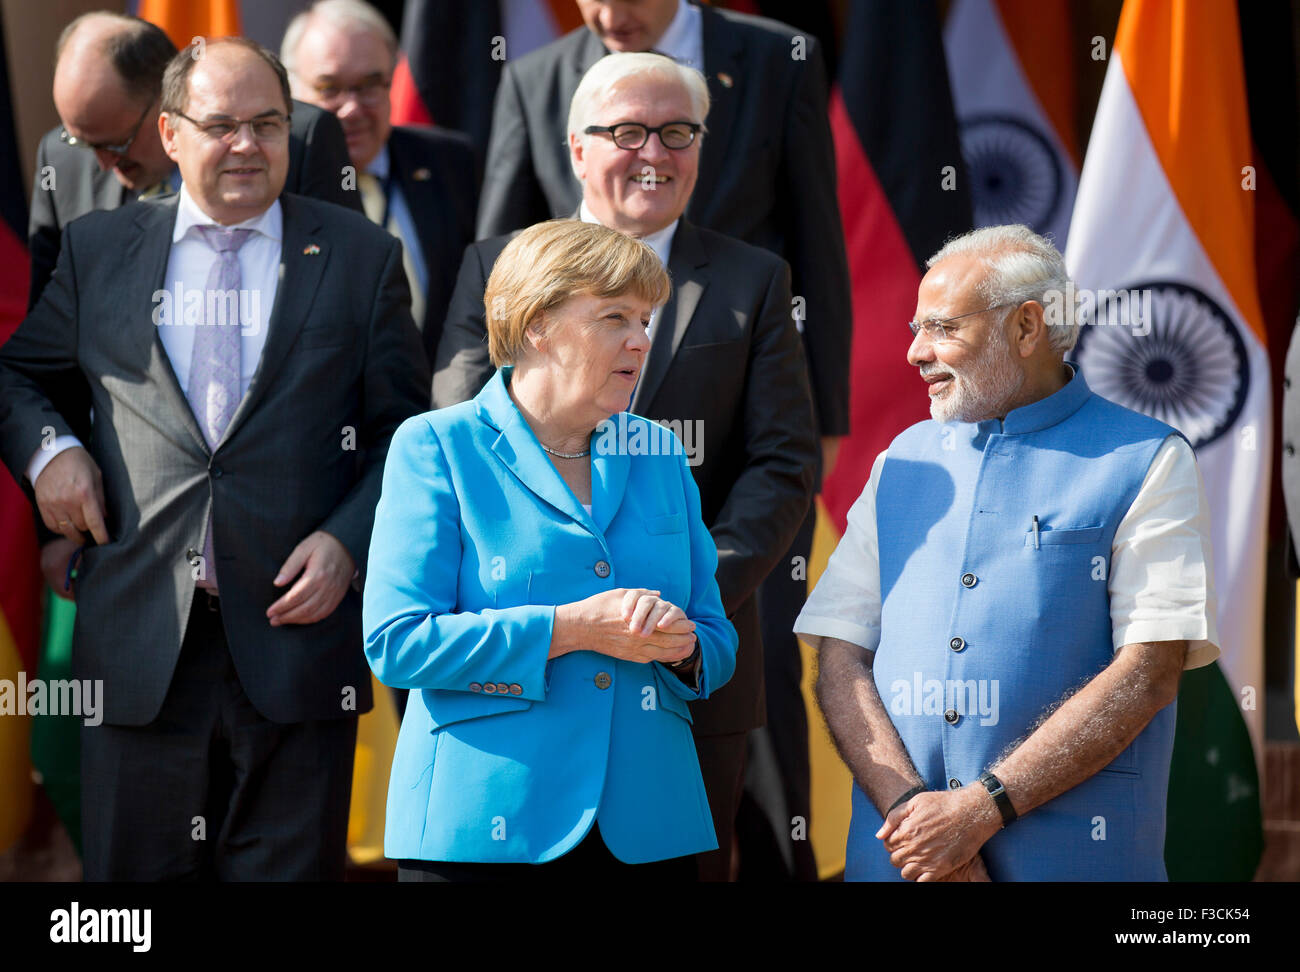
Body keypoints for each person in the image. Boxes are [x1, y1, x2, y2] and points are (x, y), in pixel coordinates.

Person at [0, 37, 430, 880]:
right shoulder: (98, 250)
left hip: (296, 646)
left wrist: (348, 541)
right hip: (139, 645)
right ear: (169, 131)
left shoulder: (359, 257)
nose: (247, 145)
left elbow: (406, 434)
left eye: (268, 124)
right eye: (221, 124)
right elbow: (19, 378)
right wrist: (52, 453)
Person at [474, 1, 846, 876]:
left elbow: (783, 462)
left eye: (679, 133)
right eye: (629, 132)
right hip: (534, 655)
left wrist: (684, 597)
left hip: (695, 653)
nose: (655, 154)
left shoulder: (756, 284)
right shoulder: (495, 271)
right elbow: (468, 438)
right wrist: (571, 611)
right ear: (578, 149)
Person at [795, 225, 1219, 881]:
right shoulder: (901, 461)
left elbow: (1148, 672)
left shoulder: (1148, 459)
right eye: (916, 328)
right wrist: (918, 820)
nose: (915, 352)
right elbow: (841, 657)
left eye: (942, 329)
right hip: (900, 863)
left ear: (1027, 328)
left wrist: (980, 812)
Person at [365, 219, 738, 878]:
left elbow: (717, 638)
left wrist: (681, 645)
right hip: (484, 828)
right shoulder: (435, 445)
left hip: (648, 828)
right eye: (615, 316)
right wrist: (571, 629)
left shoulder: (659, 453)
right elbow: (398, 643)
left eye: (647, 320)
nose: (641, 340)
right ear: (536, 322)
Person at [283, 0, 478, 362]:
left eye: (370, 85)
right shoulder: (273, 187)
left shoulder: (452, 163)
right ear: (290, 92)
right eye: (330, 88)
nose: (353, 108)